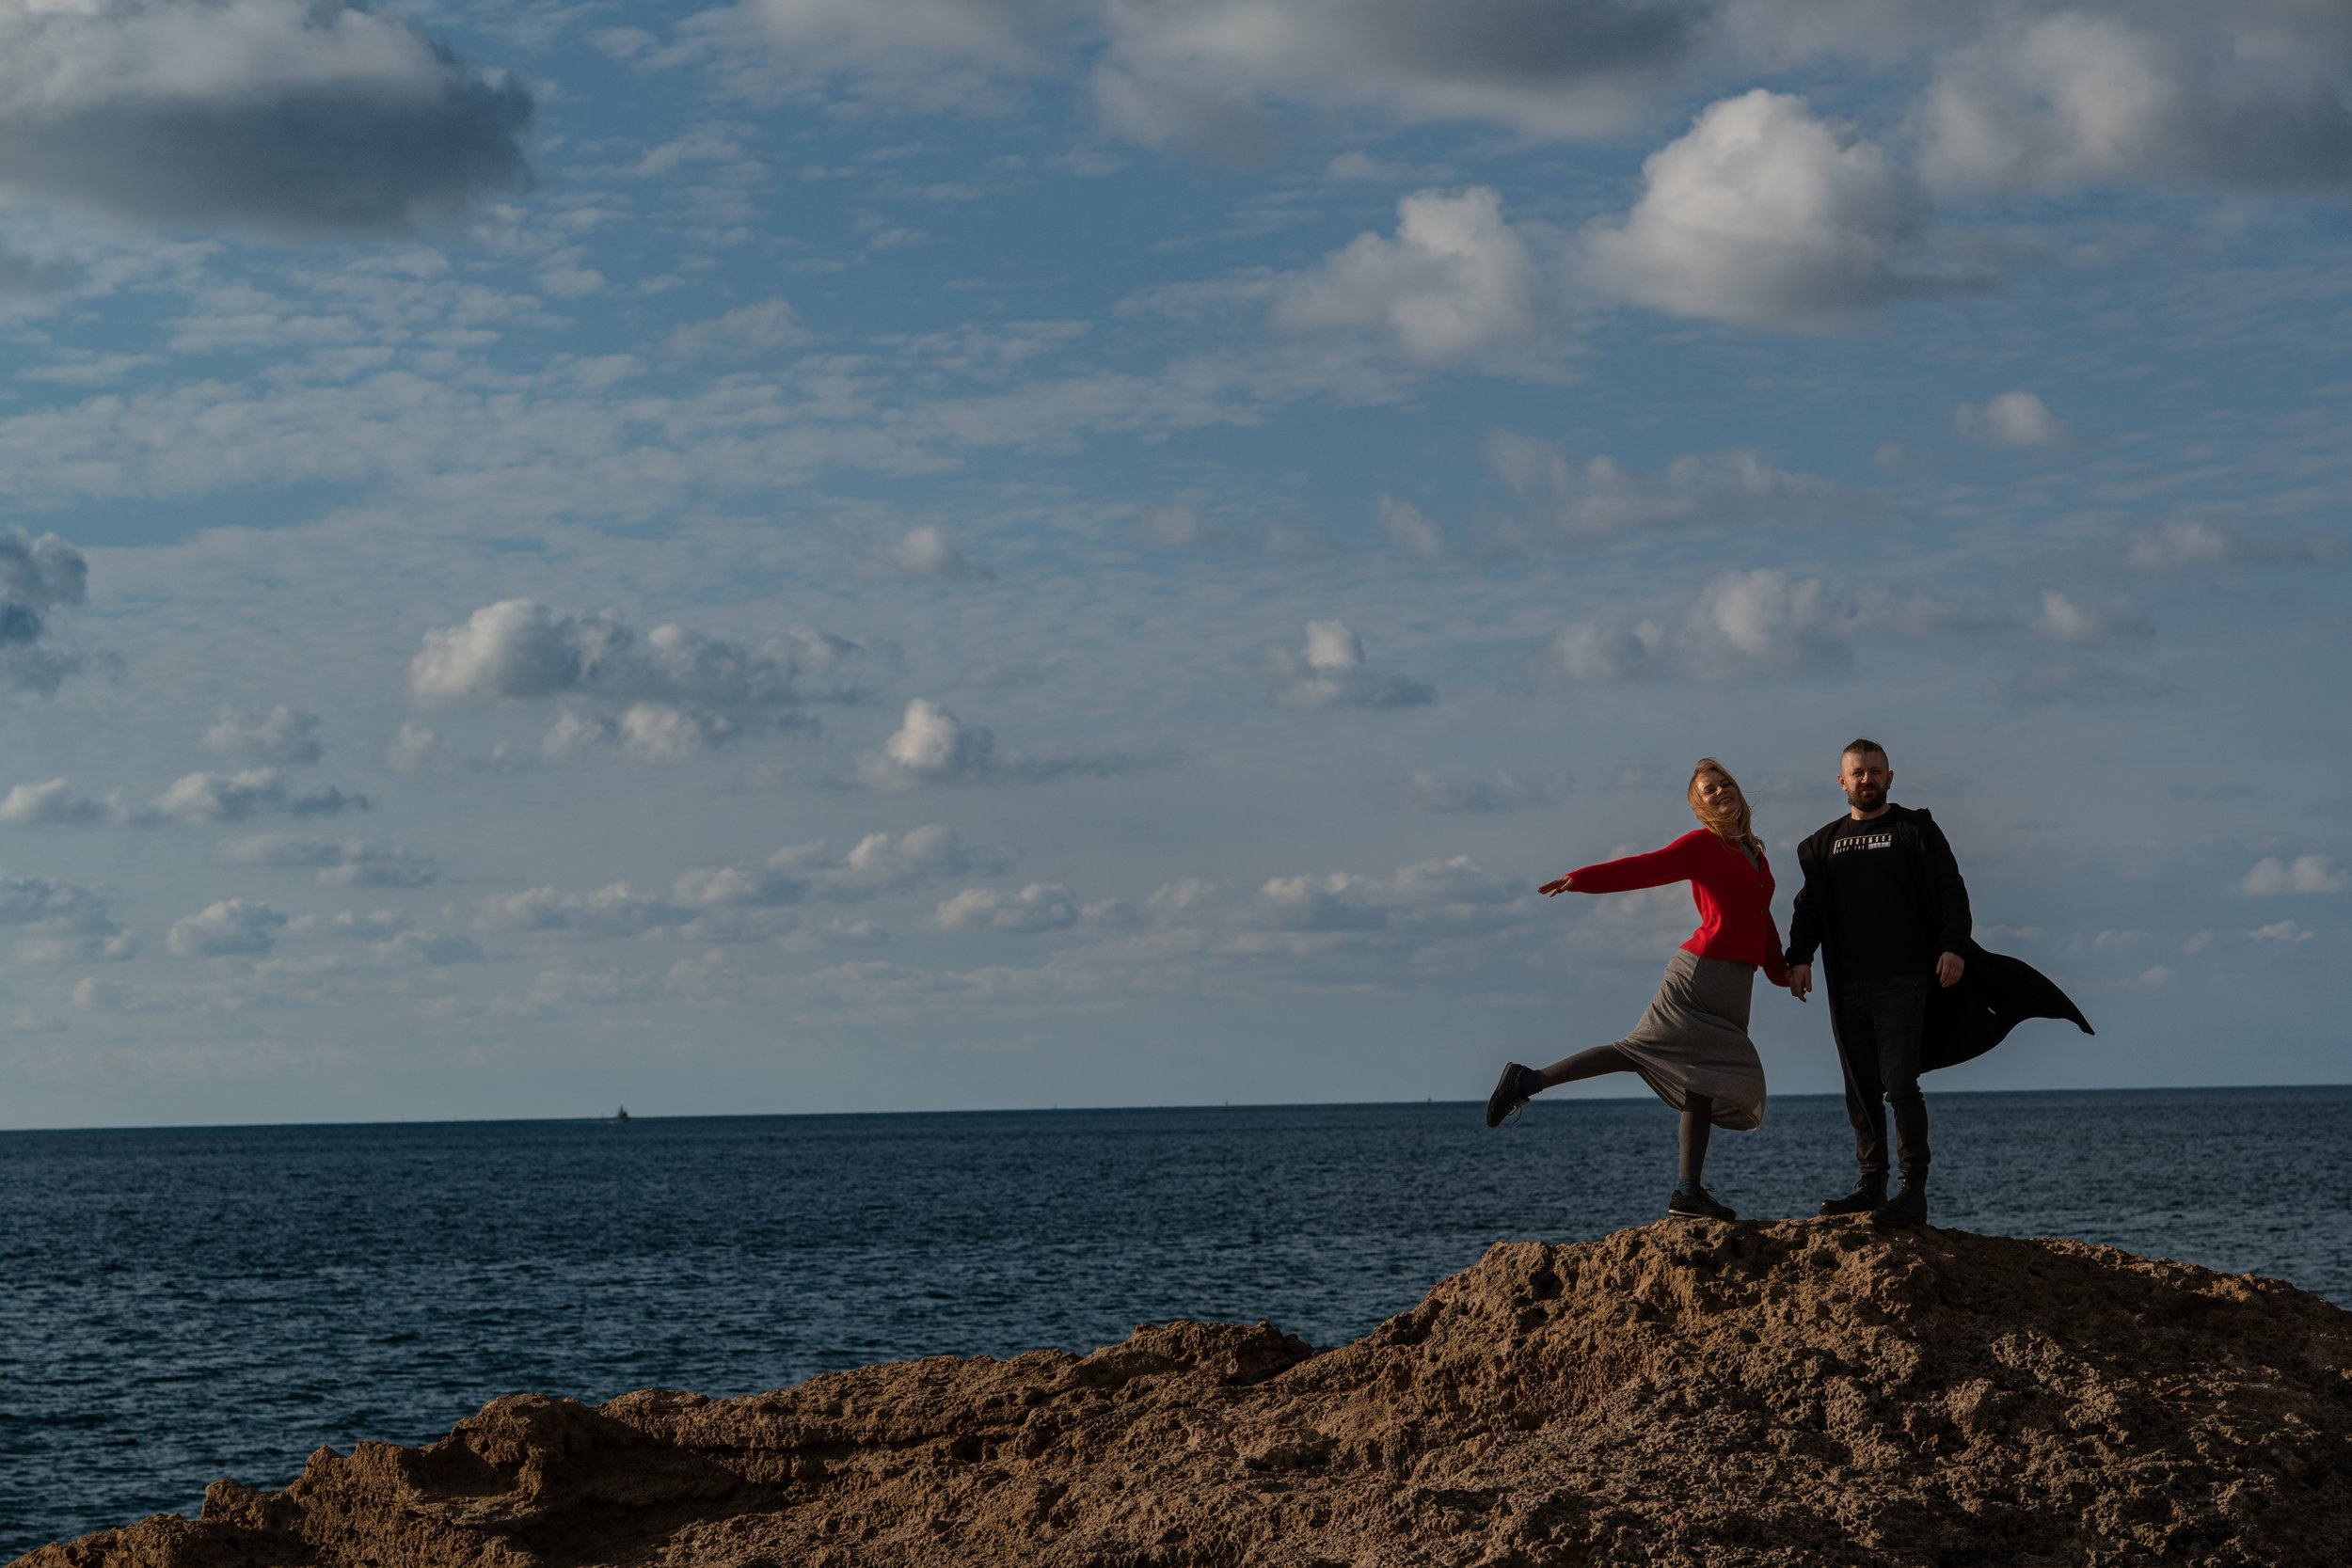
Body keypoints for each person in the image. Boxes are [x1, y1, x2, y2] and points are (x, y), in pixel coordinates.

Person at [1484, 758, 1791, 1221]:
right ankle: (1526, 1082)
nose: (1721, 791)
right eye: (1710, 789)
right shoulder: (1702, 846)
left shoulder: (1755, 854)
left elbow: (1761, 921)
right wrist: (1583, 880)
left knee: (1700, 1084)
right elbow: (1644, 868)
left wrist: (1783, 973)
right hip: (1699, 974)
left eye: (1725, 783)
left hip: (1734, 988)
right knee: (1638, 1053)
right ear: (1699, 807)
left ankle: (1688, 1194)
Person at [1785, 737, 1967, 1228]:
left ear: (1890, 777)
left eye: (1875, 771)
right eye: (1858, 772)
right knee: (1859, 1088)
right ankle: (1871, 1186)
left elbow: (1950, 888)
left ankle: (1913, 1192)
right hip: (1846, 982)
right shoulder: (1822, 845)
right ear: (1842, 782)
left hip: (1903, 980)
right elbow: (1809, 908)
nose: (1867, 779)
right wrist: (1799, 957)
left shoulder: (1914, 829)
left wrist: (1954, 946)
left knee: (1900, 1086)